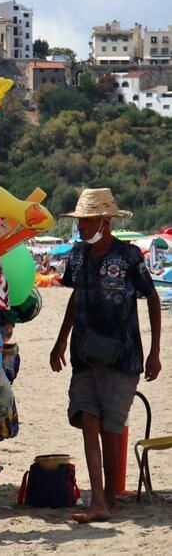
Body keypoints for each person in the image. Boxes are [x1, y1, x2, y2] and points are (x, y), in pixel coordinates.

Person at [50, 188, 162, 523]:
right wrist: (59, 341)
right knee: (88, 420)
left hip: (123, 355)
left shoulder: (128, 256)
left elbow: (152, 299)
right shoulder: (78, 255)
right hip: (83, 352)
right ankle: (98, 499)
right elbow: (76, 298)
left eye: (87, 220)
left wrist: (155, 353)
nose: (82, 227)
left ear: (105, 220)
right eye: (80, 220)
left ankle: (109, 499)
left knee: (111, 429)